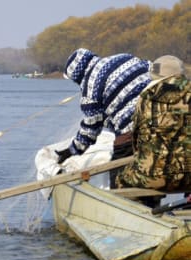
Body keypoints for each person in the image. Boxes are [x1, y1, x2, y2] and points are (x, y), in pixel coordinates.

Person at [55, 48, 152, 187]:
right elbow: (152, 67)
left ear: (76, 76)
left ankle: (127, 201)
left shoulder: (90, 89)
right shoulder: (124, 56)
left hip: (134, 130)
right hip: (164, 119)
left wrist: (72, 150)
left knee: (120, 176)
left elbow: (91, 129)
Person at [116, 55, 190, 198]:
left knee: (122, 179)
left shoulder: (146, 98)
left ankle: (144, 211)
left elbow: (136, 142)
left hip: (153, 177)